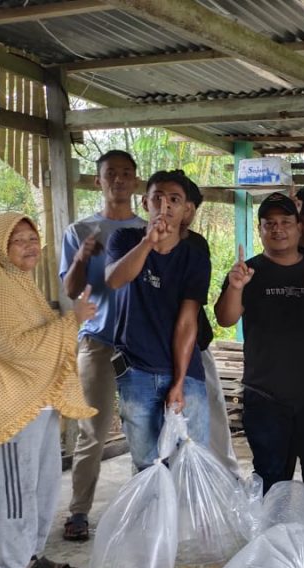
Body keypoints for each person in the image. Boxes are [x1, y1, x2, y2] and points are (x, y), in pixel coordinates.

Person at [0, 212, 95, 568]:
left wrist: (66, 323)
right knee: (16, 493)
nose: (30, 246)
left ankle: (29, 559)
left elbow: (35, 339)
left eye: (32, 237)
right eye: (18, 240)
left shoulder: (19, 284)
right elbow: (14, 348)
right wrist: (70, 321)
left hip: (34, 402)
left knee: (43, 483)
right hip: (10, 408)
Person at [214, 192, 304, 499]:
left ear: (299, 227)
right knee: (270, 479)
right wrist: (235, 287)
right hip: (265, 397)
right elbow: (225, 319)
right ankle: (272, 544)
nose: (277, 229)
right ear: (260, 230)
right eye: (269, 223)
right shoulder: (248, 273)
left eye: (285, 222)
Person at [58, 149, 144, 541]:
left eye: (127, 173)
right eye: (112, 173)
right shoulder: (80, 231)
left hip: (140, 344)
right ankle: (78, 512)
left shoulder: (147, 231)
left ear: (136, 181)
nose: (120, 180)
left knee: (143, 429)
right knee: (92, 431)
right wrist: (80, 258)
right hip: (96, 340)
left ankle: (142, 511)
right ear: (99, 181)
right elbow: (72, 290)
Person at [105, 170, 211, 470]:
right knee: (147, 464)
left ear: (186, 210)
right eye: (157, 198)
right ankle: (154, 518)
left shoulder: (195, 255)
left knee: (192, 462)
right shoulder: (126, 239)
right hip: (135, 371)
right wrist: (148, 243)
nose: (165, 206)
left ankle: (185, 519)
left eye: (174, 200)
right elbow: (114, 280)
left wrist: (178, 381)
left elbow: (188, 321)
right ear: (145, 203)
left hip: (185, 372)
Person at [181, 176, 239, 476]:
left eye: (187, 206)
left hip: (195, 344)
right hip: (150, 352)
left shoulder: (195, 244)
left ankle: (226, 479)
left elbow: (191, 305)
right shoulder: (135, 243)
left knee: (212, 411)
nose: (178, 211)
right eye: (166, 200)